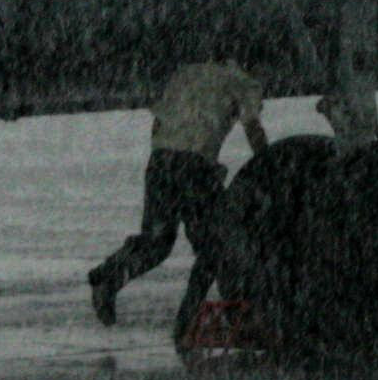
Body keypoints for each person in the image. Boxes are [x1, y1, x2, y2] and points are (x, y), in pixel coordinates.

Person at [89, 60, 268, 335]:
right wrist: (270, 165)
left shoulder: (186, 72)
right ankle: (195, 320)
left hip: (161, 160)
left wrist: (172, 157)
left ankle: (108, 277)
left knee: (157, 241)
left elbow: (159, 123)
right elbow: (253, 128)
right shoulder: (245, 84)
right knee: (216, 247)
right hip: (195, 167)